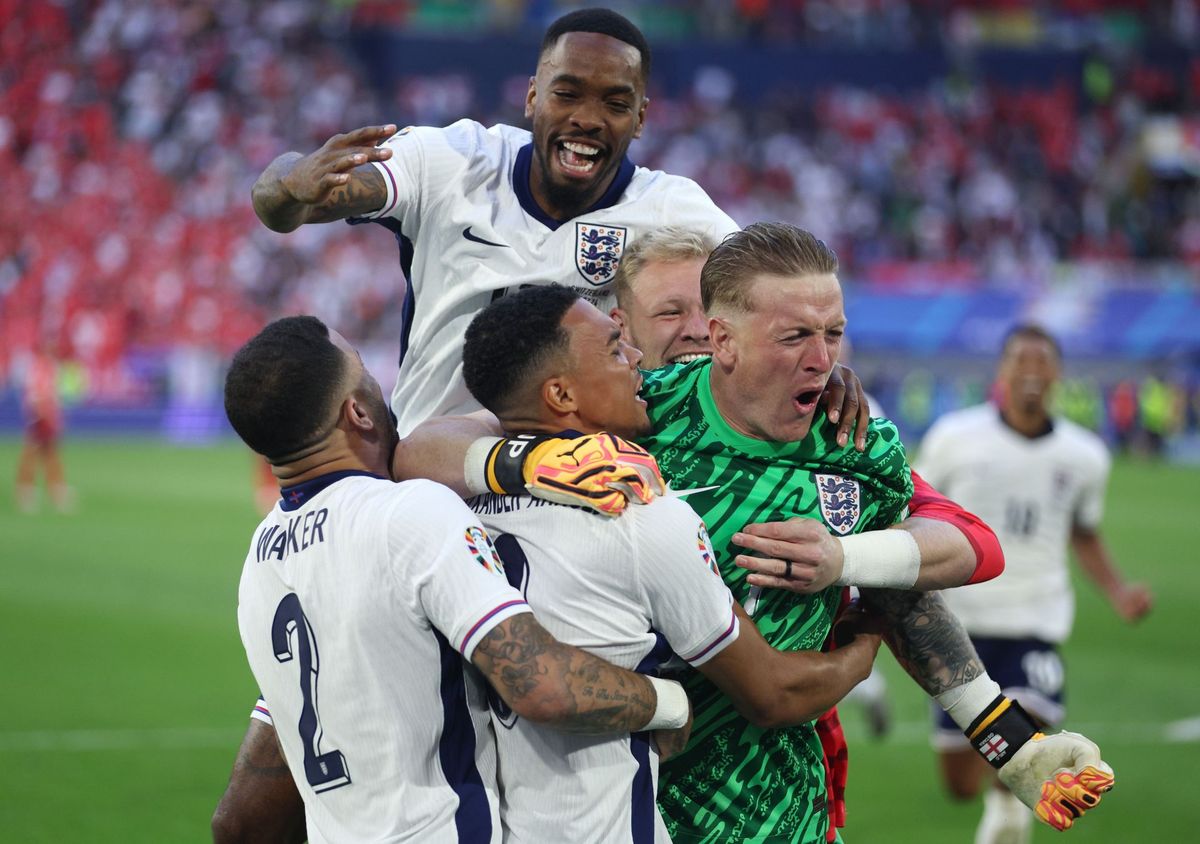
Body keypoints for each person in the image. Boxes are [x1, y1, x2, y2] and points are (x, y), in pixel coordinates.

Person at [397, 224, 1114, 842]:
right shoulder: (639, 413)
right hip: (628, 806)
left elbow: (918, 580)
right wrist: (528, 458)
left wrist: (1007, 741)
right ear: (723, 342)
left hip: (781, 810)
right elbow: (424, 448)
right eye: (795, 336)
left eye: (833, 333)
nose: (822, 358)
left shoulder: (853, 440)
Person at [217, 315, 695, 843]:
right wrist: (668, 704)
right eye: (370, 381)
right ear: (357, 412)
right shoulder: (410, 512)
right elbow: (540, 684)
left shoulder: (258, 562)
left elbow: (238, 820)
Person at [250, 8, 751, 440]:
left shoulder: (675, 211)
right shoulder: (453, 161)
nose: (588, 118)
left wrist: (821, 369)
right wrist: (293, 182)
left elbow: (777, 300)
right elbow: (283, 204)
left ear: (641, 119)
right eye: (567, 94)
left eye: (615, 104)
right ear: (533, 97)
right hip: (432, 481)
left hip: (578, 491)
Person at [916, 323, 1152, 844]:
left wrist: (1118, 591)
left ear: (1057, 374)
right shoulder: (955, 438)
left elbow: (1083, 532)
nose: (1031, 371)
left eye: (1042, 361)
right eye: (1020, 360)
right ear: (1002, 369)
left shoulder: (1085, 456)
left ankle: (1008, 808)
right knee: (959, 783)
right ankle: (1000, 796)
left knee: (1028, 736)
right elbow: (915, 508)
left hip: (1034, 622)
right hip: (958, 627)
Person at [14, 347, 72, 513]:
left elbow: (52, 396)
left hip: (44, 415)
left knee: (49, 455)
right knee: (33, 454)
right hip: (39, 416)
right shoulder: (38, 369)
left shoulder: (50, 368)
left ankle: (53, 490)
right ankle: (28, 491)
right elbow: (37, 396)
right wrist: (45, 415)